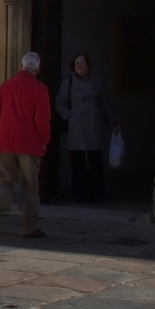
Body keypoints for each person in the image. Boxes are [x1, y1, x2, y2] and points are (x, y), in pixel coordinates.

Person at [0, 51, 52, 239]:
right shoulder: (40, 89)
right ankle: (30, 228)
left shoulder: (5, 87)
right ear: (38, 68)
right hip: (30, 145)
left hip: (6, 143)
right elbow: (42, 120)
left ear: (22, 65)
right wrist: (45, 141)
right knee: (31, 187)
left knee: (5, 181)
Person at [56, 53, 116, 204]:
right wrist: (69, 115)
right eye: (77, 63)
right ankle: (79, 195)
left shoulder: (97, 81)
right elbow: (60, 102)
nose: (80, 66)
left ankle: (96, 194)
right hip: (76, 127)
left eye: (82, 63)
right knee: (78, 164)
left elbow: (105, 102)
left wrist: (113, 122)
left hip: (94, 126)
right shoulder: (68, 82)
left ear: (88, 66)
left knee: (95, 162)